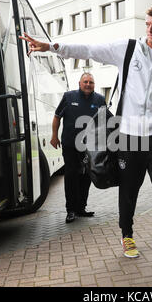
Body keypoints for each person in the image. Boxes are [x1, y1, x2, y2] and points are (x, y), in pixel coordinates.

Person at [20, 4, 152, 278]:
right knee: (129, 190)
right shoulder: (129, 49)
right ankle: (127, 233)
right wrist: (51, 46)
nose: (149, 29)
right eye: (147, 24)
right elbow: (89, 49)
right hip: (128, 136)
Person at [51, 73, 106, 223]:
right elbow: (57, 117)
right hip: (70, 144)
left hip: (89, 146)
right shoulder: (69, 97)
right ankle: (71, 210)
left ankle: (81, 208)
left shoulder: (100, 100)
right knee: (71, 175)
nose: (88, 84)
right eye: (85, 82)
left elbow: (103, 123)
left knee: (87, 175)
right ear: (79, 83)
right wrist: (54, 136)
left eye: (91, 82)